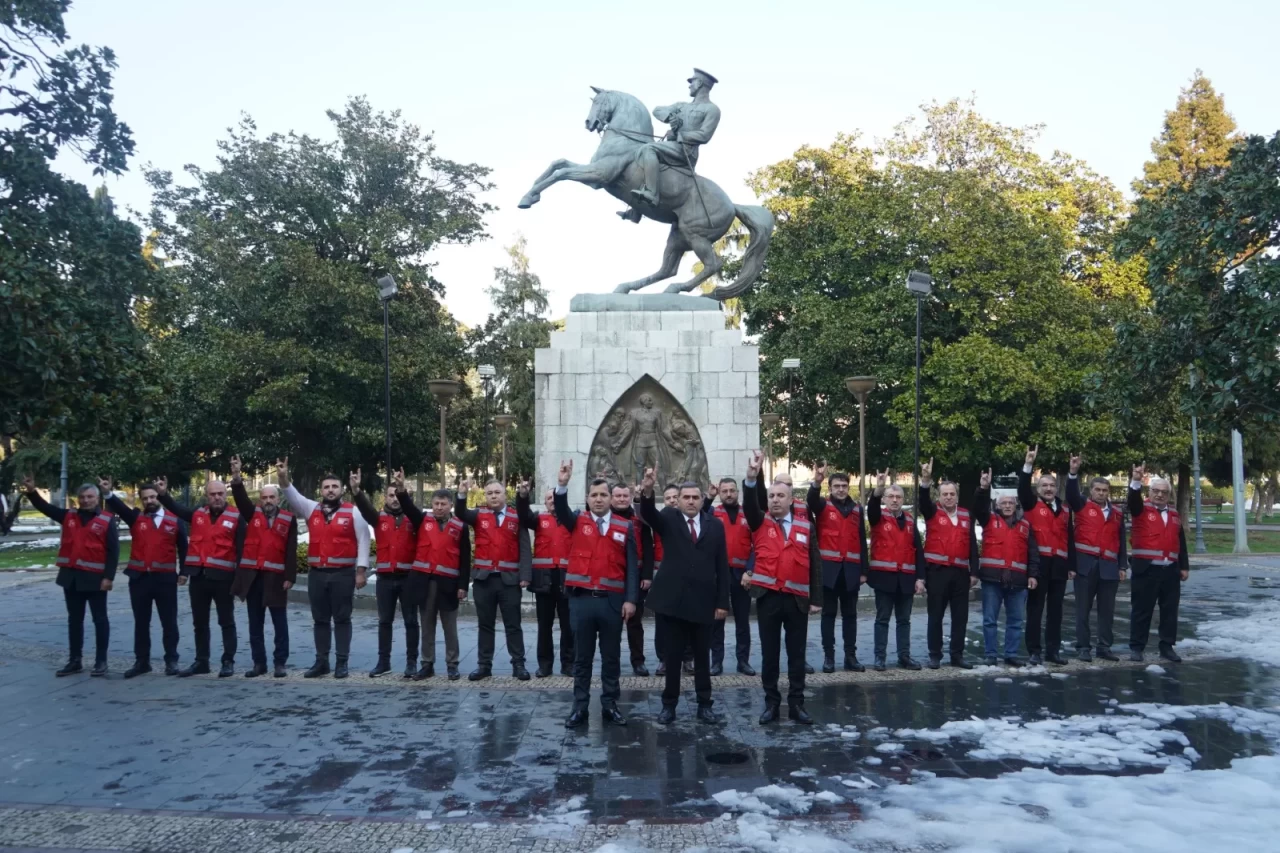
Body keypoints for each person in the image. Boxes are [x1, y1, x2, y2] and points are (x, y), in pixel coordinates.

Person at [551, 460, 639, 728]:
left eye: (603, 495)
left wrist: (630, 600)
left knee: (611, 657)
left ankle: (610, 705)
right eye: (594, 495)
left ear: (612, 499)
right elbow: (562, 510)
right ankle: (580, 708)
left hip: (612, 604)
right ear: (587, 498)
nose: (599, 499)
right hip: (582, 602)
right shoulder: (577, 521)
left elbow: (632, 568)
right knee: (582, 658)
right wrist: (562, 485)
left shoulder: (626, 527)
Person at [639, 467, 730, 724]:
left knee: (702, 657)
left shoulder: (715, 526)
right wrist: (647, 490)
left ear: (702, 500)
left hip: (703, 602)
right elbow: (647, 514)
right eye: (686, 497)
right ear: (678, 501)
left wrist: (723, 602)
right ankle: (669, 705)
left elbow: (722, 565)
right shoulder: (668, 518)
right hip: (672, 602)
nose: (690, 501)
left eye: (695, 497)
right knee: (673, 656)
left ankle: (705, 704)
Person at [740, 451, 822, 724]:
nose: (775, 500)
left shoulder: (805, 526)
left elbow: (815, 563)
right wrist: (751, 479)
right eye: (772, 496)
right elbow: (751, 504)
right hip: (768, 599)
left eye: (780, 496)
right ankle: (771, 703)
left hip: (797, 600)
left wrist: (816, 598)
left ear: (790, 499)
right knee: (770, 655)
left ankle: (797, 704)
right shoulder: (759, 521)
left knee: (797, 655)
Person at [277, 457, 369, 679]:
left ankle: (342, 662)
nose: (330, 490)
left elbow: (364, 539)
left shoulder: (352, 511)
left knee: (342, 619)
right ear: (321, 490)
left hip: (342, 574)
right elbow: (292, 494)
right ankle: (322, 662)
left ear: (342, 489)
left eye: (334, 486)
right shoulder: (311, 509)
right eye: (326, 487)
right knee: (319, 619)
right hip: (317, 574)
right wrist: (282, 477)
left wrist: (361, 571)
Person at [23, 476, 117, 676]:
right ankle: (75, 660)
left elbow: (113, 551)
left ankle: (101, 661)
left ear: (97, 498)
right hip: (71, 578)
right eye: (82, 497)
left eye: (90, 497)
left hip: (95, 579)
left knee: (100, 620)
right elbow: (45, 508)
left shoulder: (107, 520)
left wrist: (108, 577)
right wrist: (32, 491)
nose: (85, 500)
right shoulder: (68, 516)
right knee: (74, 620)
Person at [156, 475, 243, 678]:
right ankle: (201, 661)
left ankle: (228, 661)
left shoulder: (236, 517)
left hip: (223, 579)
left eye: (220, 493)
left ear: (226, 494)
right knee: (199, 623)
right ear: (206, 496)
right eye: (212, 494)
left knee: (226, 621)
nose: (217, 497)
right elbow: (177, 509)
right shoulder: (197, 514)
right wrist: (163, 494)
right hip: (199, 578)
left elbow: (241, 551)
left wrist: (240, 580)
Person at [99, 477, 186, 678]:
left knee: (169, 622)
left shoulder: (174, 520)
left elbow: (184, 548)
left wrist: (184, 572)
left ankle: (171, 660)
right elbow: (119, 507)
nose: (149, 501)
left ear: (159, 497)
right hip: (139, 579)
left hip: (165, 580)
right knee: (141, 622)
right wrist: (107, 493)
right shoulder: (136, 518)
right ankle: (142, 661)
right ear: (141, 500)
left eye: (153, 497)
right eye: (145, 498)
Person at [456, 478, 531, 681]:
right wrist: (461, 494)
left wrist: (525, 575)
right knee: (485, 624)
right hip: (484, 579)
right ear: (485, 496)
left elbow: (525, 548)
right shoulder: (479, 515)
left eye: (497, 492)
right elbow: (460, 513)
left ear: (505, 495)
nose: (493, 496)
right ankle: (484, 665)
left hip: (509, 580)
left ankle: (519, 664)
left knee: (513, 624)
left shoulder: (517, 517)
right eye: (489, 493)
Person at [228, 457, 296, 678]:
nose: (268, 500)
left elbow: (291, 549)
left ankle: (280, 663)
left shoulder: (288, 518)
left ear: (278, 499)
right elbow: (240, 497)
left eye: (271, 497)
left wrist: (290, 576)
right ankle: (259, 663)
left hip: (276, 579)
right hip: (253, 579)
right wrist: (237, 476)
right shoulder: (252, 514)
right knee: (255, 624)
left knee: (280, 624)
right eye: (264, 497)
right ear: (260, 499)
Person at [350, 467, 419, 678]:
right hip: (385, 578)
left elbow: (410, 507)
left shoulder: (414, 519)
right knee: (384, 621)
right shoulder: (378, 519)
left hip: (408, 578)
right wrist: (356, 491)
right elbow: (365, 509)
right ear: (385, 498)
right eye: (391, 495)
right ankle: (384, 662)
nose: (395, 499)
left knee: (410, 621)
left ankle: (411, 662)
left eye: (397, 495)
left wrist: (402, 489)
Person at [400, 483, 469, 680]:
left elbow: (465, 559)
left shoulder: (460, 526)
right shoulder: (422, 519)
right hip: (424, 583)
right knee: (427, 625)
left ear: (450, 505)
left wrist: (463, 586)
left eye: (443, 504)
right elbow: (407, 507)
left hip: (448, 585)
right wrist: (401, 490)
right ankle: (427, 663)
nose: (439, 507)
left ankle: (452, 664)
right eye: (436, 503)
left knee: (450, 627)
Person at [971, 468, 1040, 665]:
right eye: (1004, 503)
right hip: (992, 580)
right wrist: (983, 488)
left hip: (1018, 581)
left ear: (1016, 504)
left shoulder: (1026, 526)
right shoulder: (988, 520)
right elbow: (978, 507)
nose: (1008, 506)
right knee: (990, 620)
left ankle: (1011, 655)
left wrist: (1033, 575)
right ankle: (991, 656)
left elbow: (1033, 553)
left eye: (1011, 503)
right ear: (997, 505)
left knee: (1015, 622)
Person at [1064, 455, 1127, 662]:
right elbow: (1071, 494)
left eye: (1105, 490)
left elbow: (1121, 541)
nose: (1101, 493)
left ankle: (1104, 647)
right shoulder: (1081, 506)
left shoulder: (1117, 513)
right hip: (1085, 565)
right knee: (1083, 610)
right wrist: (1073, 472)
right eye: (1097, 490)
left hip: (1109, 567)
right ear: (1091, 491)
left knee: (1107, 611)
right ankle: (1083, 647)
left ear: (1109, 492)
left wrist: (1123, 565)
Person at [630, 69, 721, 210]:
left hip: (686, 151)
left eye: (692, 82)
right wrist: (670, 117)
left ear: (700, 83)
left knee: (649, 148)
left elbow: (705, 135)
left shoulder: (712, 109)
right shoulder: (682, 106)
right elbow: (657, 110)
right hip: (672, 147)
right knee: (647, 162)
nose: (689, 85)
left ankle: (651, 194)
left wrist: (680, 135)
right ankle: (637, 211)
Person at [917, 458, 978, 670]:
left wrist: (974, 571)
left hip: (961, 574)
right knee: (936, 616)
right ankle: (935, 655)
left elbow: (972, 545)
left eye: (952, 494)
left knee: (960, 617)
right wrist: (925, 481)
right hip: (937, 572)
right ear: (939, 496)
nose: (949, 497)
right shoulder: (932, 511)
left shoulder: (965, 515)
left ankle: (957, 655)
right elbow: (923, 500)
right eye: (945, 494)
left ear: (957, 496)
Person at [807, 464, 867, 673]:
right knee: (828, 616)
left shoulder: (857, 510)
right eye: (836, 486)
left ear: (848, 487)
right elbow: (811, 501)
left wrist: (863, 572)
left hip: (851, 572)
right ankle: (829, 657)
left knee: (850, 616)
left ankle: (851, 656)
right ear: (830, 488)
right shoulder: (823, 506)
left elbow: (861, 541)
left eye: (843, 485)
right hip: (829, 573)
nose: (840, 489)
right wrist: (816, 482)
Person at [1127, 464, 1190, 663]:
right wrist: (1136, 480)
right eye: (1156, 491)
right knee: (1142, 611)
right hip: (1146, 569)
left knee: (1170, 611)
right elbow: (1133, 500)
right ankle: (1137, 648)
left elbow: (1181, 542)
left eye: (1164, 492)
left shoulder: (1174, 514)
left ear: (1169, 495)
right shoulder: (1140, 509)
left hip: (1170, 570)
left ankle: (1167, 646)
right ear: (1149, 491)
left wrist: (1184, 566)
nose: (1160, 495)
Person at [866, 470, 925, 671]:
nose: (894, 500)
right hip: (884, 579)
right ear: (884, 499)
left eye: (898, 497)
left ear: (903, 499)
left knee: (904, 621)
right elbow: (872, 508)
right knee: (882, 620)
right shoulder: (877, 517)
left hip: (906, 579)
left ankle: (904, 657)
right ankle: (880, 658)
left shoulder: (910, 521)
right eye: (890, 496)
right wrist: (878, 488)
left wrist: (921, 578)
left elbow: (918, 551)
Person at [1017, 445, 1070, 666]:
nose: (1048, 489)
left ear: (1056, 488)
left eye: (1051, 485)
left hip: (1059, 566)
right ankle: (1034, 651)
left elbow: (1071, 540)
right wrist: (1028, 465)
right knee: (1036, 610)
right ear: (1038, 488)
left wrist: (1072, 566)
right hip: (1038, 566)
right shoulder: (1031, 504)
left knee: (1056, 611)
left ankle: (1053, 651)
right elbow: (1022, 488)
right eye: (1044, 485)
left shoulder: (1065, 509)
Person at [518, 486, 573, 678]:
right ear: (544, 502)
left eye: (554, 498)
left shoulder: (571, 519)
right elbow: (523, 516)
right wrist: (523, 496)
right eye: (548, 498)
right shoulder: (538, 519)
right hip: (544, 580)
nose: (552, 501)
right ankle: (545, 665)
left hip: (567, 580)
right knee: (544, 626)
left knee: (568, 626)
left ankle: (568, 664)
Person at [709, 478, 755, 676]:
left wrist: (750, 570)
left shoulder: (749, 515)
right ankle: (716, 662)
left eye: (732, 491)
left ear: (738, 492)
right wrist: (708, 498)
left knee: (743, 621)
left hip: (742, 574)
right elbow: (696, 517)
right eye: (725, 491)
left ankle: (743, 661)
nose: (729, 494)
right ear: (719, 493)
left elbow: (758, 545)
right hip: (719, 575)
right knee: (717, 620)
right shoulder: (712, 513)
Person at [649, 483, 693, 677]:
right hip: (662, 574)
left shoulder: (694, 521)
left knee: (689, 618)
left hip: (688, 576)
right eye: (668, 498)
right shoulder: (659, 520)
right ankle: (664, 659)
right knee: (663, 620)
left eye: (676, 496)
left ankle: (688, 658)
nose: (673, 500)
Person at [610, 481, 652, 677]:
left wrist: (647, 575)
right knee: (612, 624)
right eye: (617, 496)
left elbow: (648, 545)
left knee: (635, 623)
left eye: (625, 496)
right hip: (612, 577)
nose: (621, 499)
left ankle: (638, 661)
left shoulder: (639, 519)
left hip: (636, 576)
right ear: (611, 498)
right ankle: (613, 662)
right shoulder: (603, 518)